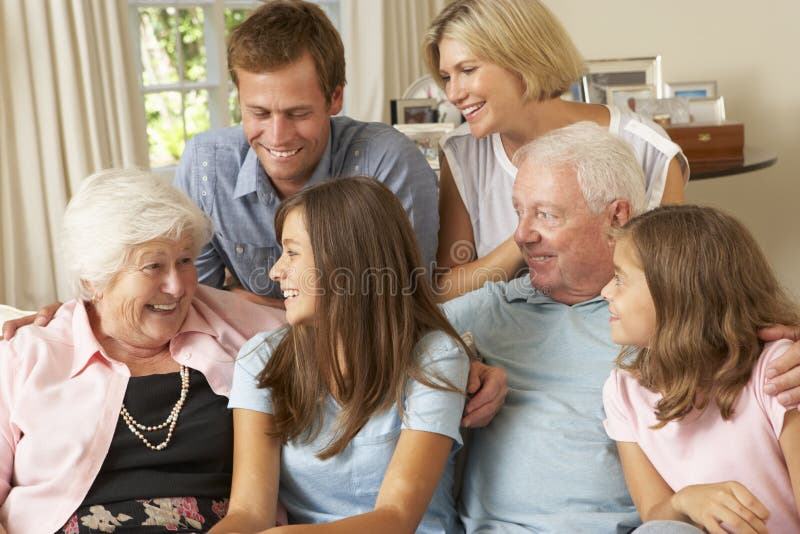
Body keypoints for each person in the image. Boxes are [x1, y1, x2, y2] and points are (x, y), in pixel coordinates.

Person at [0, 170, 285, 533]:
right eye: (154, 266)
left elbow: (333, 333)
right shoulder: (27, 355)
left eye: (185, 261)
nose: (178, 286)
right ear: (95, 279)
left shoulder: (233, 324)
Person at [209, 177, 470, 533]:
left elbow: (396, 518)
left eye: (292, 252)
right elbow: (249, 513)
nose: (275, 271)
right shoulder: (262, 357)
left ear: (346, 262)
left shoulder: (435, 359)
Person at [175, 0, 438, 307]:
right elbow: (197, 305)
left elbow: (402, 308)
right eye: (259, 113)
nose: (277, 137)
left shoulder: (389, 161)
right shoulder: (205, 166)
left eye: (298, 113)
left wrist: (247, 301)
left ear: (335, 97)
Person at [423, 0, 689, 300]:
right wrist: (528, 235)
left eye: (468, 70)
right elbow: (445, 291)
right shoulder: (464, 154)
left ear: (521, 57)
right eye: (447, 77)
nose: (453, 94)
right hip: (502, 340)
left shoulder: (647, 149)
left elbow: (676, 286)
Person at [601, 205, 800, 533]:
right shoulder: (623, 392)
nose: (605, 291)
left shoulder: (779, 372)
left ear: (675, 292)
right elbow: (654, 513)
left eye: (620, 279)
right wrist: (684, 501)